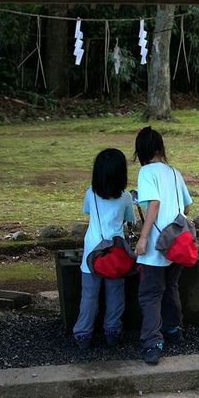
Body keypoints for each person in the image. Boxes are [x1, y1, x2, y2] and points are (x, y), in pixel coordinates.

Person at [133, 127, 193, 365]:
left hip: (157, 245)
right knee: (171, 286)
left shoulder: (147, 172)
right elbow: (187, 208)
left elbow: (154, 205)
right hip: (177, 242)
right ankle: (174, 329)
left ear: (142, 150)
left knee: (150, 293)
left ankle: (153, 343)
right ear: (160, 147)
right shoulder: (174, 172)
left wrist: (143, 237)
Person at [74, 148, 135, 350]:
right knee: (115, 294)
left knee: (89, 295)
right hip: (115, 253)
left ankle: (83, 334)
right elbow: (129, 220)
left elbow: (87, 211)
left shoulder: (90, 194)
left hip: (93, 253)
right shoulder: (126, 197)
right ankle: (112, 332)